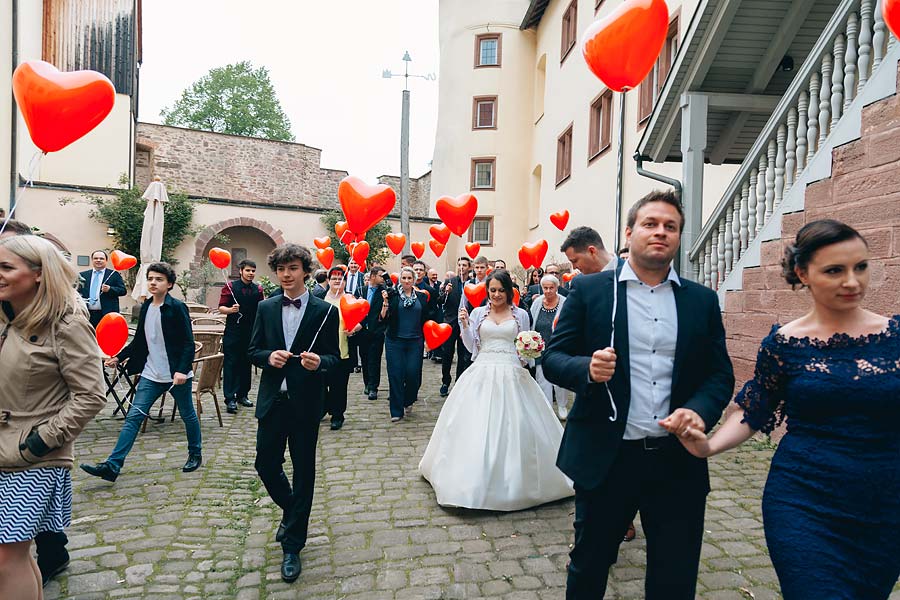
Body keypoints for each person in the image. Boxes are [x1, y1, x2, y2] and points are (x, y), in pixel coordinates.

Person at [671, 220, 900, 599]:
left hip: (885, 504)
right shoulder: (783, 344)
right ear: (802, 273)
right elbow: (754, 409)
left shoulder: (895, 338)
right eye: (834, 270)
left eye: (860, 266)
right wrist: (708, 446)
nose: (852, 281)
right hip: (804, 500)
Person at [543, 190, 735, 599]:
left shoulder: (701, 301)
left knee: (675, 571)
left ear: (679, 237)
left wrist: (698, 412)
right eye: (651, 224)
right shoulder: (592, 291)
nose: (660, 233)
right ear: (629, 233)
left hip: (676, 461)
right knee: (590, 563)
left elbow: (719, 374)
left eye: (671, 227)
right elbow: (554, 358)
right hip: (607, 457)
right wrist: (587, 369)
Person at [0, 235, 106, 599]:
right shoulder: (6, 317)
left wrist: (42, 440)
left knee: (5, 557)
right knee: (15, 555)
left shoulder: (66, 324)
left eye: (6, 267)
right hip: (3, 450)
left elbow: (91, 395)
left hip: (35, 458)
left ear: (39, 274)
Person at [419, 269, 574, 510]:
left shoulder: (520, 314)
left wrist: (529, 351)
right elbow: (473, 347)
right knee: (476, 423)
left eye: (501, 290)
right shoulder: (479, 313)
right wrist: (464, 325)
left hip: (511, 369)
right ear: (487, 291)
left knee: (518, 423)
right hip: (482, 368)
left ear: (509, 291)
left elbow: (523, 345)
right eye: (492, 290)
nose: (497, 294)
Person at [247, 244, 340, 583]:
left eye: (293, 269)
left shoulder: (325, 311)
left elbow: (335, 359)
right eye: (281, 269)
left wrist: (320, 364)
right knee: (265, 463)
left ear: (304, 270)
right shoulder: (265, 307)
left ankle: (293, 545)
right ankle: (293, 510)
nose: (286, 275)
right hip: (273, 401)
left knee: (304, 472)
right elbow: (252, 349)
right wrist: (267, 357)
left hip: (306, 403)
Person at [81, 262, 202, 482]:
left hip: (176, 376)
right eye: (151, 278)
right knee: (133, 417)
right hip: (151, 374)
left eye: (159, 279)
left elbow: (187, 343)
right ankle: (113, 465)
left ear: (169, 284)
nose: (153, 282)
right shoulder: (146, 307)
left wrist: (182, 370)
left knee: (188, 415)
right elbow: (140, 341)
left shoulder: (176, 307)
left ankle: (195, 453)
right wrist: (119, 356)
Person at [559, 225, 637, 542]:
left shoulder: (640, 280)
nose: (575, 270)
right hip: (595, 400)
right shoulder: (582, 289)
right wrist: (586, 367)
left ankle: (625, 519)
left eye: (576, 262)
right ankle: (586, 546)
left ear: (592, 251)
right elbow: (561, 352)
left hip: (638, 410)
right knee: (588, 491)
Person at [379, 266, 428, 422]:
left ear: (414, 280)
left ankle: (408, 399)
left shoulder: (421, 297)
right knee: (395, 374)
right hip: (395, 340)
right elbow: (382, 318)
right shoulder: (393, 296)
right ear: (399, 280)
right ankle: (396, 410)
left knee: (413, 374)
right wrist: (385, 302)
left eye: (409, 278)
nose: (406, 281)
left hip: (415, 340)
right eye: (404, 278)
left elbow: (426, 318)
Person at [218, 259, 264, 414]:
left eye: (253, 271)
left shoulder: (258, 289)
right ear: (241, 271)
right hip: (233, 331)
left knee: (246, 363)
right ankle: (230, 398)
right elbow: (221, 307)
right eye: (248, 270)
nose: (251, 273)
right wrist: (231, 310)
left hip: (250, 331)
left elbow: (261, 308)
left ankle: (242, 395)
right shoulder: (230, 287)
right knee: (231, 364)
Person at [322, 266, 361, 430]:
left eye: (341, 278)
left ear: (345, 282)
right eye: (334, 278)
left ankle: (337, 415)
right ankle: (323, 408)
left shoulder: (350, 298)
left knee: (339, 385)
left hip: (343, 348)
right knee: (321, 383)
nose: (337, 281)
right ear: (328, 281)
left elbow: (360, 320)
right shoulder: (319, 297)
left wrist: (354, 328)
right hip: (322, 349)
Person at [529, 274, 569, 419]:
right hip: (540, 347)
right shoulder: (537, 302)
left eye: (551, 288)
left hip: (559, 346)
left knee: (560, 380)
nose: (548, 291)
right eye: (545, 288)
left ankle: (562, 405)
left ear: (557, 288)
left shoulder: (565, 302)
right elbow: (531, 321)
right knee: (542, 378)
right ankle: (547, 408)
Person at [438, 256, 472, 397]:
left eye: (464, 265)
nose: (461, 267)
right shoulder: (450, 282)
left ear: (469, 267)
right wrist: (446, 292)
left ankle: (459, 382)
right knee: (447, 353)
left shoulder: (472, 284)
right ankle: (445, 381)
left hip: (466, 322)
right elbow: (440, 301)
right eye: (459, 265)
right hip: (451, 322)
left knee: (464, 354)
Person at [357, 266, 387, 400]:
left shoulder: (383, 292)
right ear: (373, 276)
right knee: (364, 358)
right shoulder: (361, 291)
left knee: (374, 359)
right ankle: (367, 383)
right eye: (381, 275)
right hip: (362, 331)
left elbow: (384, 314)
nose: (383, 278)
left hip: (377, 331)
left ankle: (373, 387)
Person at [77, 250, 127, 328]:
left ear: (106, 260)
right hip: (87, 314)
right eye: (96, 258)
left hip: (106, 314)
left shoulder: (113, 274)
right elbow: (77, 292)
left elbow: (123, 290)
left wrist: (110, 289)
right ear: (92, 260)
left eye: (101, 258)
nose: (98, 260)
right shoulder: (83, 275)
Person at [344, 259, 365, 372]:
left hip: (358, 307)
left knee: (358, 334)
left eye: (355, 263)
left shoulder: (362, 276)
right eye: (351, 263)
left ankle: (360, 362)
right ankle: (353, 362)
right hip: (346, 307)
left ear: (359, 265)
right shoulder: (344, 276)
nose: (353, 265)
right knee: (349, 335)